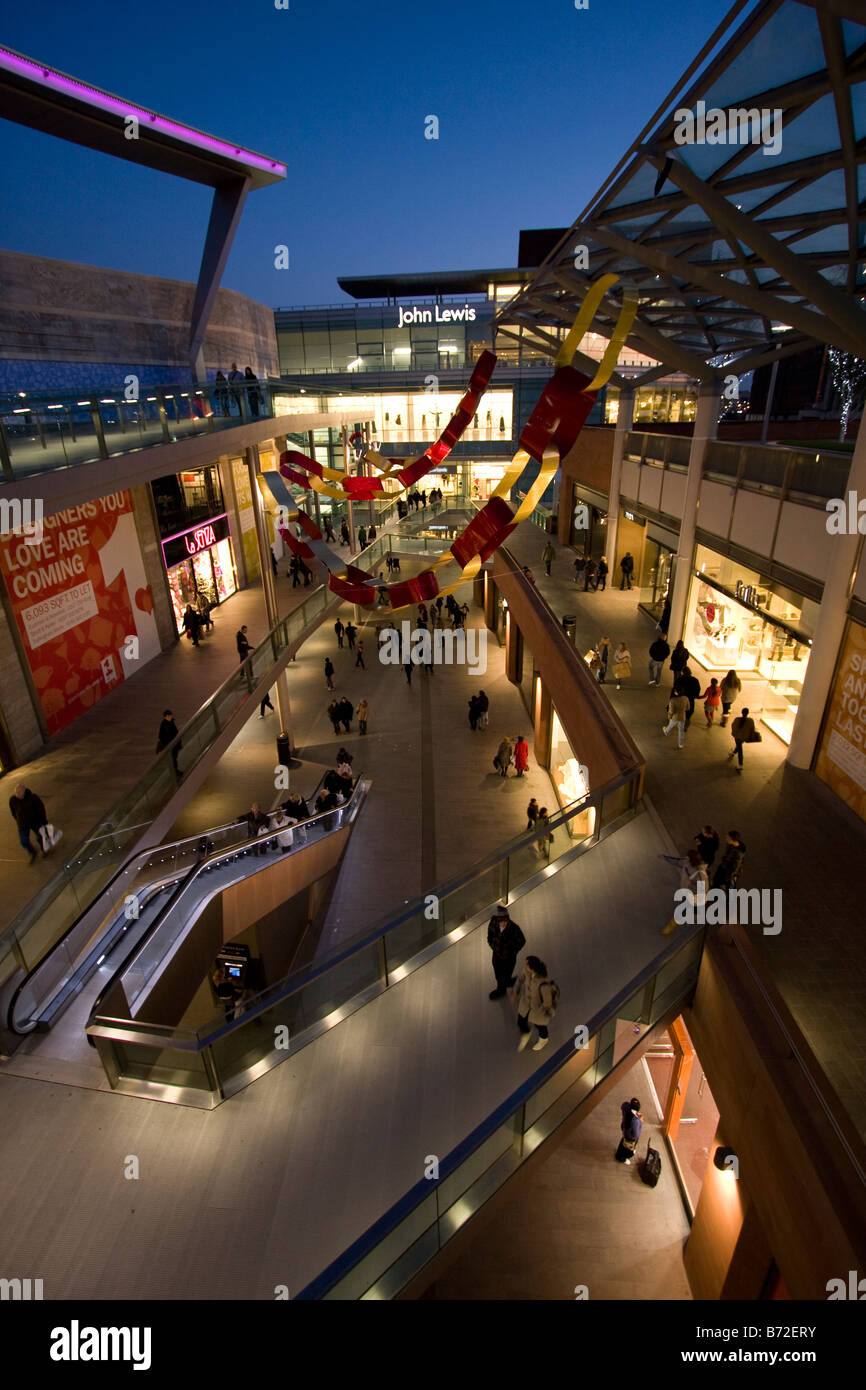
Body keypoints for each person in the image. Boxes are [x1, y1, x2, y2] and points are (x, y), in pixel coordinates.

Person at [514, 955, 558, 1053]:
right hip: (526, 1004)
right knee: (521, 1021)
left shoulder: (543, 983)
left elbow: (547, 1001)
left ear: (532, 968)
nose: (525, 966)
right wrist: (516, 990)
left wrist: (545, 1012)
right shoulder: (527, 972)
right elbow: (520, 979)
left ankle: (543, 1040)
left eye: (527, 964)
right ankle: (526, 1033)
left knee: (540, 1026)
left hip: (538, 1009)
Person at [486, 905, 526, 1000]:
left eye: (505, 921)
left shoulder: (514, 928)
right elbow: (490, 936)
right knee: (498, 974)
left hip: (509, 958)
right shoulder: (493, 923)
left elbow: (522, 941)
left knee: (506, 973)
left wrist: (512, 952)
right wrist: (494, 946)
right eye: (501, 921)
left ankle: (501, 990)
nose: (503, 924)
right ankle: (507, 982)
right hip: (496, 955)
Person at [9, 783, 49, 863]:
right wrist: (17, 820)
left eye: (19, 794)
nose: (17, 795)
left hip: (35, 822)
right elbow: (13, 811)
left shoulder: (33, 798)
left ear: (24, 792)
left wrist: (43, 821)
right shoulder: (13, 800)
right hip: (22, 824)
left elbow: (41, 809)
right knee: (24, 841)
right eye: (16, 793)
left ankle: (44, 849)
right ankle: (33, 852)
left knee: (40, 837)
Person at [729, 708, 757, 773]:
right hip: (745, 737)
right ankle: (733, 753)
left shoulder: (737, 719)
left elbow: (733, 726)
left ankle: (740, 765)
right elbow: (752, 729)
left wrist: (734, 733)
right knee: (739, 746)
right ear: (748, 713)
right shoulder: (750, 720)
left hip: (737, 737)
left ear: (742, 712)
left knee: (740, 749)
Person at [615, 1099, 643, 1164]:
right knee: (628, 1148)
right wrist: (640, 1121)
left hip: (625, 1129)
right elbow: (636, 1134)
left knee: (623, 1142)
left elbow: (623, 1105)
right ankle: (622, 1158)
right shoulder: (635, 1120)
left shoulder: (626, 1108)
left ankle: (619, 1154)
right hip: (630, 1136)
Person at [156, 709, 182, 775]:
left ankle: (175, 771)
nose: (171, 716)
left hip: (173, 743)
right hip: (170, 744)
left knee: (174, 758)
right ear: (166, 716)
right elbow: (164, 736)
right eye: (170, 715)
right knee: (173, 759)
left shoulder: (170, 722)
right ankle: (175, 771)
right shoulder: (164, 725)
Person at [676, 665, 701, 730]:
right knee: (689, 713)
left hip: (681, 699)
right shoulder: (695, 680)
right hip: (690, 699)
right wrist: (696, 695)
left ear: (683, 672)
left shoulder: (680, 679)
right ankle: (685, 726)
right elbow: (698, 689)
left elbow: (675, 688)